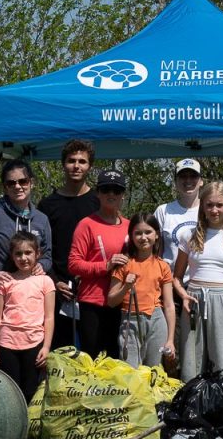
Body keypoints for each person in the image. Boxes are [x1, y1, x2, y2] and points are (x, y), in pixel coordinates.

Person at [0, 160, 54, 361]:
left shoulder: (41, 219)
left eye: (23, 181)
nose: (17, 186)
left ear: (31, 183)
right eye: (11, 183)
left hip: (28, 304)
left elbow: (48, 253)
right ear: (4, 187)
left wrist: (41, 266)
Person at [174, 181, 223, 380]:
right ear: (202, 206)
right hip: (193, 301)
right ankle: (192, 406)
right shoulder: (189, 236)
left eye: (219, 205)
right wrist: (183, 295)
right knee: (191, 364)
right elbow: (176, 277)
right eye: (209, 205)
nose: (214, 210)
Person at [38, 139, 100, 350]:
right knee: (59, 355)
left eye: (82, 161)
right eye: (71, 161)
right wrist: (55, 281)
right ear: (63, 164)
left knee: (93, 353)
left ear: (89, 166)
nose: (76, 166)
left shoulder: (99, 202)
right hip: (56, 290)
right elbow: (41, 249)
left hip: (92, 289)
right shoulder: (47, 205)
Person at [67, 168, 130, 359]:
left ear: (123, 196)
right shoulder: (86, 224)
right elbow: (73, 264)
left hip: (122, 302)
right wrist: (106, 265)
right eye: (106, 189)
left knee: (116, 358)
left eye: (116, 190)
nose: (111, 194)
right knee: (92, 359)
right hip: (92, 302)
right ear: (98, 193)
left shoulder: (130, 226)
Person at [107, 211, 183, 369]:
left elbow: (169, 305)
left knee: (153, 370)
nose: (143, 237)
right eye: (138, 233)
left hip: (156, 320)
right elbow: (112, 301)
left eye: (148, 232)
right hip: (130, 321)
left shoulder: (163, 266)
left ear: (156, 235)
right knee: (130, 370)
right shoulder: (124, 263)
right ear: (131, 237)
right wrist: (125, 287)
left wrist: (170, 339)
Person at [0, 231, 56, 402]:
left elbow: (49, 317)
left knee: (31, 391)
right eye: (18, 253)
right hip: (7, 343)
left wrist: (46, 347)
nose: (23, 258)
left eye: (28, 252)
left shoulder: (45, 281)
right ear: (12, 256)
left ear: (37, 254)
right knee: (10, 390)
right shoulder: (5, 281)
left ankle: (29, 426)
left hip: (34, 342)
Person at [153, 158, 203, 269]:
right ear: (175, 181)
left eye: (193, 176)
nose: (188, 180)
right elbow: (156, 251)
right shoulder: (163, 211)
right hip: (168, 281)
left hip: (201, 282)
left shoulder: (209, 210)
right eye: (183, 176)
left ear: (201, 181)